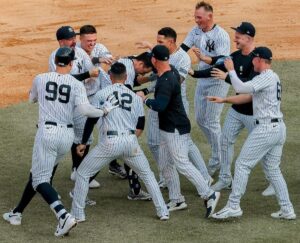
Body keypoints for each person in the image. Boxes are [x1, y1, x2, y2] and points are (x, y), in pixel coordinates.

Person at [3, 47, 118, 236]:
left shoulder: (40, 78)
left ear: (55, 61)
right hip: (67, 137)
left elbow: (31, 98)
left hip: (47, 133)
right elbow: (86, 111)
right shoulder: (76, 84)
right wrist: (104, 111)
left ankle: (63, 215)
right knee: (38, 174)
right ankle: (16, 213)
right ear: (72, 64)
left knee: (40, 179)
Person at [71, 62, 169, 222]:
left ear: (110, 77)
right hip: (131, 141)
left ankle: (78, 214)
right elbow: (140, 125)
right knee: (148, 175)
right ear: (125, 77)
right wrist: (128, 141)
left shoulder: (102, 94)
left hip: (109, 142)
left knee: (82, 173)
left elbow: (92, 120)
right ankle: (163, 211)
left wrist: (83, 142)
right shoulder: (135, 97)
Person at [211, 47, 296, 220]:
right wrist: (225, 100)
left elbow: (241, 87)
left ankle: (233, 205)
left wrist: (231, 70)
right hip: (278, 128)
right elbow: (248, 96)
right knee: (273, 170)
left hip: (266, 129)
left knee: (242, 165)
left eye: (253, 59)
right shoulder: (272, 77)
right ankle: (287, 210)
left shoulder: (265, 77)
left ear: (260, 60)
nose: (251, 62)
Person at [137, 45, 220, 218]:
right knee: (166, 164)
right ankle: (176, 199)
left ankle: (208, 193)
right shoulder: (171, 70)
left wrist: (144, 100)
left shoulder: (167, 80)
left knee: (182, 162)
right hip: (168, 127)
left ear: (154, 60)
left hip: (175, 128)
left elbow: (160, 105)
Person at [136, 27, 211, 189]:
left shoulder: (182, 58)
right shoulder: (162, 57)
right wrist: (148, 87)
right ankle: (166, 176)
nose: (157, 45)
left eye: (160, 42)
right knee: (154, 142)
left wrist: (149, 89)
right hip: (160, 101)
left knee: (187, 144)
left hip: (176, 103)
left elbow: (176, 82)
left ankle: (205, 178)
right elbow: (160, 79)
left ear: (171, 42)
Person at [181, 1, 230, 175]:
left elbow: (222, 64)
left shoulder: (221, 35)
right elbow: (181, 50)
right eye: (195, 17)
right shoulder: (195, 31)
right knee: (201, 119)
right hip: (202, 78)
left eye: (199, 17)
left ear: (210, 16)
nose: (196, 20)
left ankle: (219, 158)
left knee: (212, 120)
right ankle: (221, 148)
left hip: (217, 80)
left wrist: (206, 60)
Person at [49, 25, 101, 189]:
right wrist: (87, 75)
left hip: (80, 101)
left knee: (83, 137)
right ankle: (46, 178)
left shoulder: (79, 53)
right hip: (65, 105)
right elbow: (65, 79)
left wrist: (94, 70)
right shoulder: (55, 57)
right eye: (71, 39)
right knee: (61, 141)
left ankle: (78, 171)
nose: (74, 41)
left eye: (74, 38)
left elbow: (90, 68)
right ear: (61, 41)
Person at [73, 24, 128, 182]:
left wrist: (109, 59)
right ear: (80, 39)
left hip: (97, 95)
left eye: (94, 40)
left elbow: (107, 57)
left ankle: (112, 164)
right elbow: (83, 63)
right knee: (82, 135)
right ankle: (78, 169)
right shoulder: (75, 50)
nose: (92, 43)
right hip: (80, 97)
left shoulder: (100, 47)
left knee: (108, 128)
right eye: (88, 40)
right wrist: (97, 59)